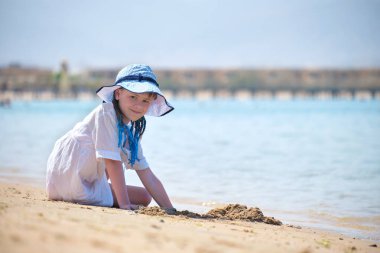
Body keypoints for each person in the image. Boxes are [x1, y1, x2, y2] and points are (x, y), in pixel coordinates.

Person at [46, 64, 175, 210]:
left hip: (61, 186)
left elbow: (147, 174)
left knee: (144, 197)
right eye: (133, 97)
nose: (138, 106)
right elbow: (112, 163)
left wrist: (170, 209)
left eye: (145, 100)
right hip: (73, 183)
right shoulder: (106, 114)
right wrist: (124, 204)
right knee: (112, 158)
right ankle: (115, 199)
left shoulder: (128, 132)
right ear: (118, 94)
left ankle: (107, 195)